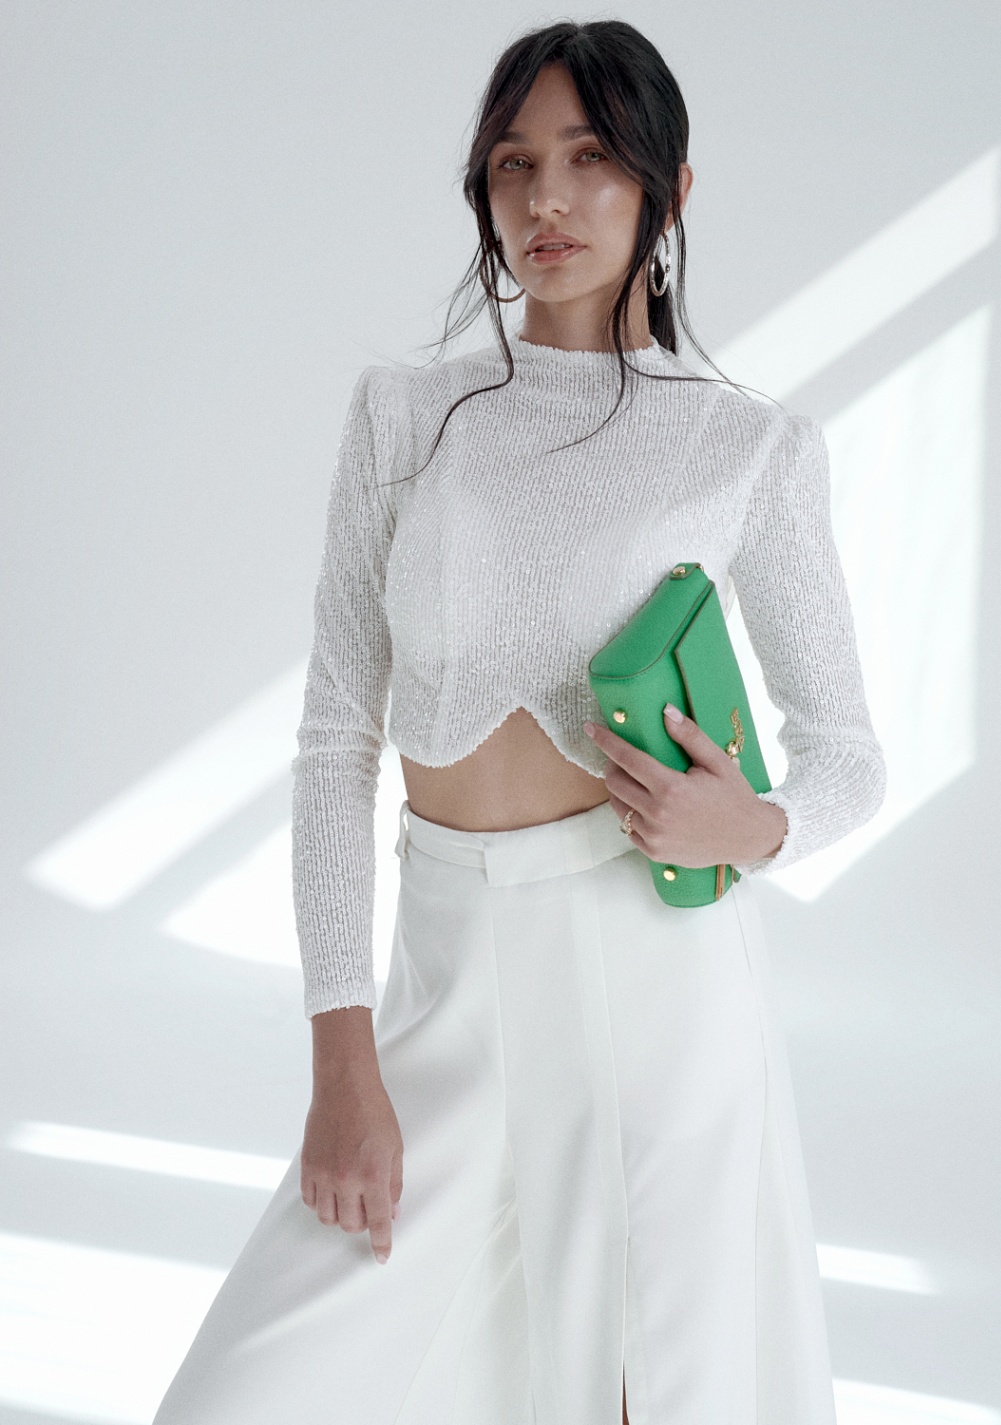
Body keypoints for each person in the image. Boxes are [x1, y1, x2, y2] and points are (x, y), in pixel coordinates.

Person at [152, 18, 886, 1425]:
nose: (546, 198)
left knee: (646, 1391)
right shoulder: (406, 415)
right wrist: (341, 1056)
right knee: (247, 1392)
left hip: (653, 978)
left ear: (670, 190)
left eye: (590, 158)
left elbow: (849, 750)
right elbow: (333, 742)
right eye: (513, 164)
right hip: (445, 983)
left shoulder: (748, 445)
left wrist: (757, 825)